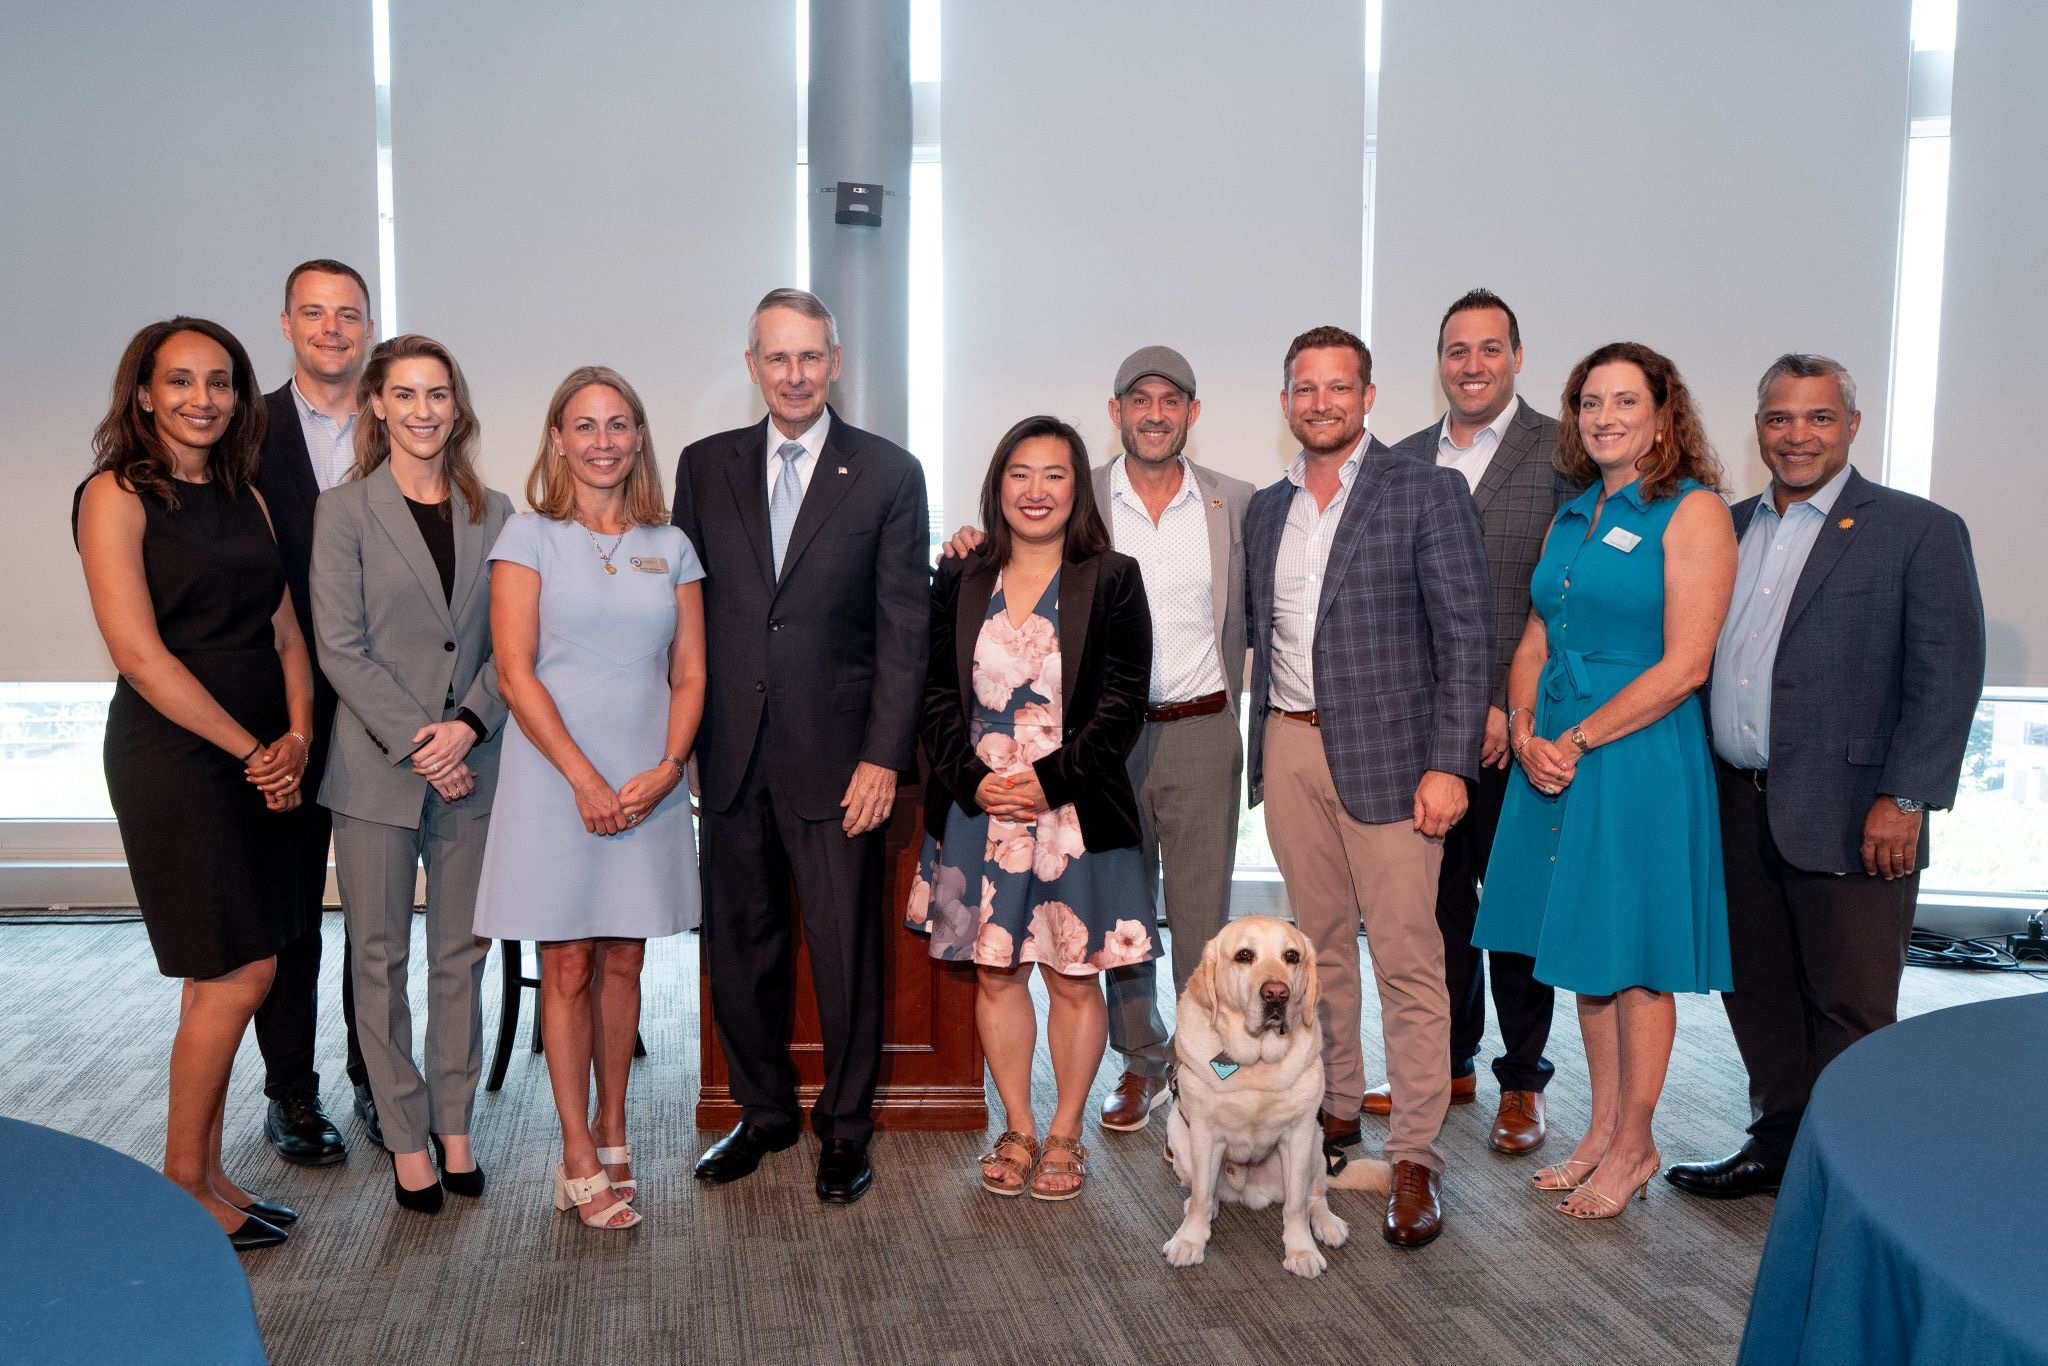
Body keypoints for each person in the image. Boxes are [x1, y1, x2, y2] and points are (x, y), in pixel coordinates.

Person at [1665, 354, 1984, 1201]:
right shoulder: (1724, 527)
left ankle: (1853, 1175)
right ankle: (1777, 1145)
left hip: (1855, 809)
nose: (1797, 435)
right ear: (1758, 428)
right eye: (1779, 418)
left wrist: (1906, 797)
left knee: (1850, 1003)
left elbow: (1947, 676)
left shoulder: (1918, 530)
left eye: (1817, 417)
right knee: (1758, 991)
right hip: (1734, 802)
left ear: (1851, 425)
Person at [939, 346, 1252, 1134]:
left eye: (1171, 400)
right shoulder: (1084, 505)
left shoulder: (1237, 504)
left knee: (1200, 918)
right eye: (1139, 399)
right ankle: (1141, 1062)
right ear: (1115, 413)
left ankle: (1210, 1072)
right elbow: (948, 673)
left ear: (1193, 412)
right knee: (1116, 917)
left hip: (1193, 727)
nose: (1155, 413)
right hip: (1087, 752)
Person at [674, 288, 929, 1205]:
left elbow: (905, 630)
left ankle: (845, 1128)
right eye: (777, 358)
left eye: (810, 357)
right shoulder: (704, 467)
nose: (794, 375)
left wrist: (883, 756)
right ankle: (764, 1112)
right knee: (740, 947)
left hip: (841, 761)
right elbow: (685, 616)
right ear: (753, 366)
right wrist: (683, 739)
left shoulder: (890, 474)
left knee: (845, 950)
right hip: (731, 752)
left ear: (836, 362)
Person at [1472, 341, 1737, 1221]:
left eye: (1626, 401)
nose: (1604, 417)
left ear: (1664, 417)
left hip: (1635, 755)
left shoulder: (1693, 512)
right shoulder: (1573, 514)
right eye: (1590, 402)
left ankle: (1636, 1143)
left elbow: (1687, 664)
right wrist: (1524, 732)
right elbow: (1535, 639)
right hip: (1553, 752)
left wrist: (1578, 738)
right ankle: (1599, 1132)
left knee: (1636, 959)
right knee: (1585, 952)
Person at [1244, 325, 1491, 1249]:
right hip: (1291, 746)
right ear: (1286, 402)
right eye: (1305, 388)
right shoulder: (1267, 509)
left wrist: (1449, 763)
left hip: (1396, 762)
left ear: (1369, 396)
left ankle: (1417, 1154)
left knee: (1408, 959)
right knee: (1317, 955)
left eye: (1338, 387)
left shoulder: (1426, 491)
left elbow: (1466, 639)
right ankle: (1337, 1109)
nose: (1321, 403)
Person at [75, 317, 317, 1250]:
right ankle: (183, 1187)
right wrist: (254, 750)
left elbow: (285, 631)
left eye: (219, 382)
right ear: (143, 392)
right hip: (177, 758)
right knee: (241, 969)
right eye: (179, 381)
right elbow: (138, 655)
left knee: (218, 975)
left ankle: (209, 1174)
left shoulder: (243, 493)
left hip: (264, 751)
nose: (201, 399)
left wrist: (296, 735)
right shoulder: (114, 494)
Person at [473, 367, 706, 1230]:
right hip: (554, 778)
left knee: (626, 960)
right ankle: (574, 1150)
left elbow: (691, 672)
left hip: (646, 782)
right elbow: (514, 673)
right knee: (567, 962)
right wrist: (583, 778)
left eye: (617, 425)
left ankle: (614, 1129)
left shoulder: (671, 545)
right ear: (558, 439)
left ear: (638, 438)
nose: (602, 441)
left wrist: (670, 767)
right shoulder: (526, 537)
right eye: (584, 425)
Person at [912, 415, 1157, 1200]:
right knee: (997, 974)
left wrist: (1049, 781)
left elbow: (1123, 703)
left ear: (1078, 488)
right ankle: (1017, 1128)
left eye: (1054, 474)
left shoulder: (1112, 578)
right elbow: (935, 692)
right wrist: (972, 779)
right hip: (978, 811)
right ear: (998, 485)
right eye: (1020, 473)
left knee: (1075, 977)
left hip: (1073, 813)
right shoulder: (960, 575)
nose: (1036, 490)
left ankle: (1065, 1134)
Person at [309, 335, 513, 1213]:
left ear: (456, 407)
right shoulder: (344, 512)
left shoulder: (497, 512)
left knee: (460, 955)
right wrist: (423, 744)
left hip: (475, 764)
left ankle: (454, 1125)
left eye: (438, 394)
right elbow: (340, 648)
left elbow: (514, 643)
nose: (423, 410)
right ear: (377, 406)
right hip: (376, 772)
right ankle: (403, 1135)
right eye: (405, 394)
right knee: (379, 956)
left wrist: (465, 729)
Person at [1383, 290, 1573, 1155]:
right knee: (1436, 908)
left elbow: (1562, 598)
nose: (1472, 365)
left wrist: (1502, 702)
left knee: (1517, 909)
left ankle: (1523, 1080)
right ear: (1439, 363)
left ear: (1517, 358)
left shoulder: (1563, 457)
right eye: (1457, 350)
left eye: (1490, 348)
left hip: (1516, 730)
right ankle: (1448, 1062)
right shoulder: (1399, 460)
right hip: (1419, 736)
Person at [254, 258, 378, 1164]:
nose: (332, 328)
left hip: (379, 704)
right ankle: (292, 1092)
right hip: (284, 702)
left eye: (348, 313)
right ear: (287, 325)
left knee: (376, 914)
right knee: (290, 910)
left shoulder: (404, 419)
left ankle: (377, 1079)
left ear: (368, 326)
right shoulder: (241, 428)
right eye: (314, 313)